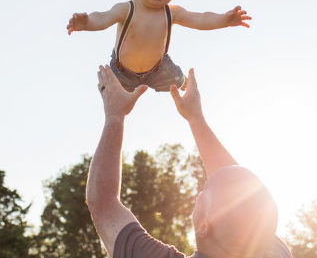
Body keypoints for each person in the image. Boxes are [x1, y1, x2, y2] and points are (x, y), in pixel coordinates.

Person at [85, 65, 292, 258]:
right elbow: (238, 197)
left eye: (206, 189)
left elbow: (103, 202)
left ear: (204, 226)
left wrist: (114, 116)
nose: (200, 192)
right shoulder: (273, 251)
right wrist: (196, 119)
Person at [67, 0, 251, 92]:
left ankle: (182, 81)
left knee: (177, 80)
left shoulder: (172, 12)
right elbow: (103, 17)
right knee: (110, 92)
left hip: (160, 69)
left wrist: (224, 20)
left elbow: (199, 18)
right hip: (122, 71)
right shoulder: (126, 9)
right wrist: (86, 23)